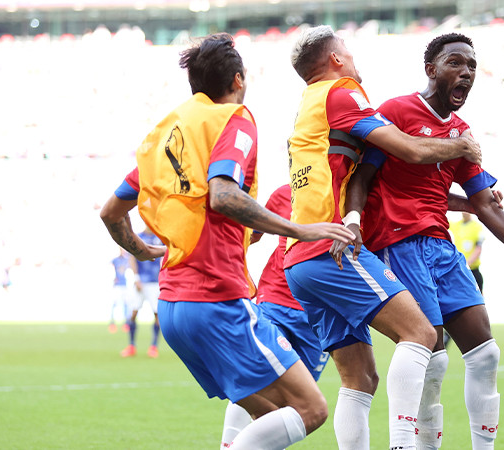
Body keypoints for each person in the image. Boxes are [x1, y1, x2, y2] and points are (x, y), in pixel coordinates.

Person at [99, 33, 355, 449]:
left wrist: (140, 249)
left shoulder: (165, 135)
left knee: (271, 416)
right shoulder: (234, 119)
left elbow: (111, 212)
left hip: (173, 307)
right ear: (238, 80)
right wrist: (301, 230)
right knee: (311, 409)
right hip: (215, 300)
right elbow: (223, 193)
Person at [340, 33, 504, 450]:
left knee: (485, 355)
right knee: (431, 356)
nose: (466, 72)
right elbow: (363, 177)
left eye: (472, 67)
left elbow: (487, 205)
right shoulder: (396, 111)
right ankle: (406, 445)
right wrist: (353, 220)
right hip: (398, 241)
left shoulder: (463, 135)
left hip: (442, 248)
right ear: (431, 69)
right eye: (455, 63)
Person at [284, 25, 482, 450]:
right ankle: (403, 445)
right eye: (348, 52)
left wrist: (461, 203)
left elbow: (380, 179)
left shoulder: (306, 107)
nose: (353, 60)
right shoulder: (342, 90)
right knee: (422, 334)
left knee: (359, 379)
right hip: (331, 247)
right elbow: (408, 150)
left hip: (298, 258)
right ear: (336, 59)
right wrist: (460, 145)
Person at [220, 184, 330, 448]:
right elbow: (250, 234)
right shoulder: (285, 192)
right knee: (257, 380)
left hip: (319, 313)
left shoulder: (354, 194)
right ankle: (227, 444)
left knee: (297, 404)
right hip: (275, 300)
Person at [121, 225, 163, 358]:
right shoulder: (138, 237)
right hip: (141, 282)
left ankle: (154, 346)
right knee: (133, 313)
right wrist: (136, 277)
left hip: (155, 282)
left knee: (157, 315)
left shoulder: (161, 237)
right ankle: (131, 345)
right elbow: (132, 257)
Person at [449, 212, 485, 292]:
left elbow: (478, 249)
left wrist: (466, 264)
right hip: (459, 271)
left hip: (472, 271)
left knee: (478, 301)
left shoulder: (477, 227)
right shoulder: (456, 225)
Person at [109, 248, 132, 334]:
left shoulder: (127, 260)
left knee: (126, 304)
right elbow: (109, 267)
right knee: (115, 304)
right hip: (117, 285)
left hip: (125, 285)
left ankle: (126, 323)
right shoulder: (115, 260)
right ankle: (112, 323)